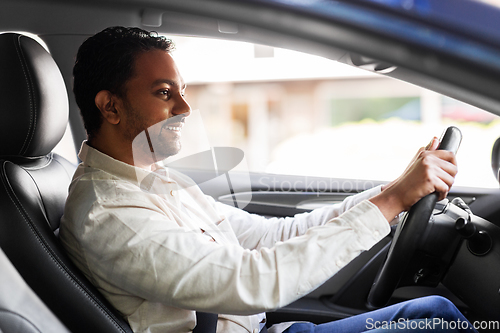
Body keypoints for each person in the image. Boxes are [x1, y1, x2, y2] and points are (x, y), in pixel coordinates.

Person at [59, 26, 475, 333]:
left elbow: (267, 236)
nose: (185, 107)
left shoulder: (153, 180)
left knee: (431, 313)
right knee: (433, 320)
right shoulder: (108, 212)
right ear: (110, 107)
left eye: (182, 91)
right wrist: (391, 203)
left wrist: (391, 192)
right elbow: (251, 280)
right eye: (165, 93)